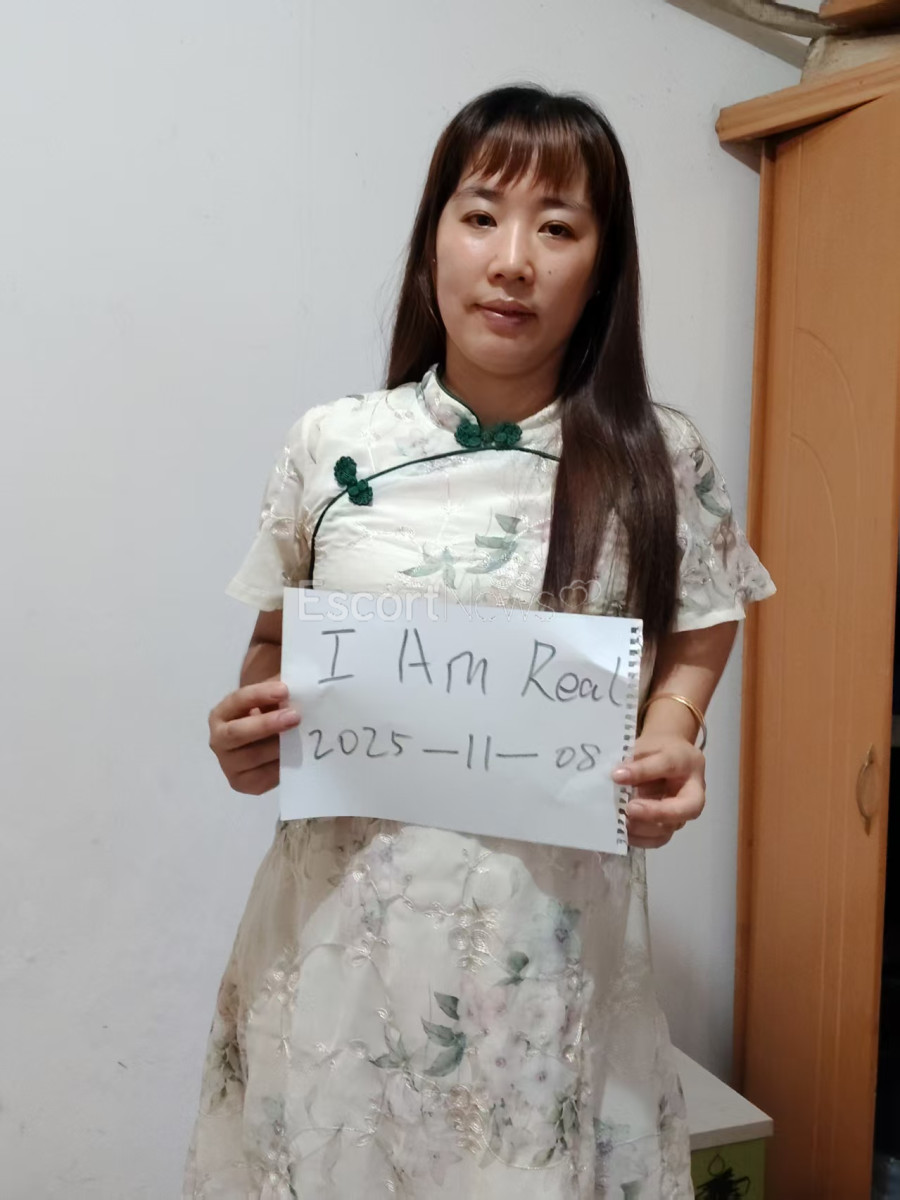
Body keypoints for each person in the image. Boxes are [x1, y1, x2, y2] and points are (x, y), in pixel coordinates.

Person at [184, 84, 775, 1199]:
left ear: (601, 264)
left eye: (557, 227)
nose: (512, 261)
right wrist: (248, 726)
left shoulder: (658, 459)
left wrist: (674, 731)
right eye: (481, 215)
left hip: (546, 970)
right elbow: (274, 644)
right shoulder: (334, 447)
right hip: (337, 955)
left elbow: (705, 619)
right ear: (432, 242)